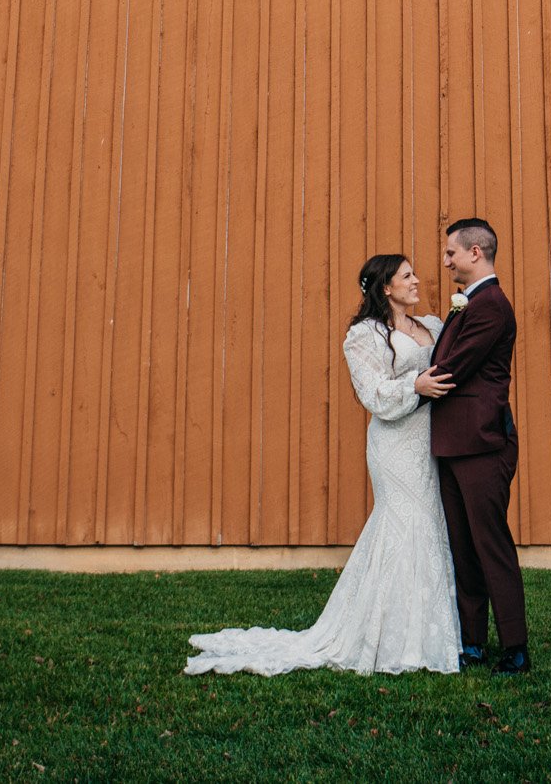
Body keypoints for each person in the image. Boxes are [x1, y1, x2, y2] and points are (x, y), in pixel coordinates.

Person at [184, 254, 461, 675]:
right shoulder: (363, 336)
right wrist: (415, 384)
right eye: (407, 276)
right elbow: (373, 394)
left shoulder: (432, 326)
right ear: (386, 287)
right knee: (402, 524)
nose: (417, 280)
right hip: (394, 444)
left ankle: (426, 634)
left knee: (427, 525)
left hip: (427, 442)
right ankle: (386, 639)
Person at [423, 217, 529, 675]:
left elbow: (451, 366)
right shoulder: (468, 303)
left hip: (483, 444)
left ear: (475, 253)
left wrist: (417, 379)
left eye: (451, 253)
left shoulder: (489, 306)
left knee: (490, 546)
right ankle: (472, 643)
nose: (445, 261)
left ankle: (515, 647)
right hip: (452, 444)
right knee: (463, 549)